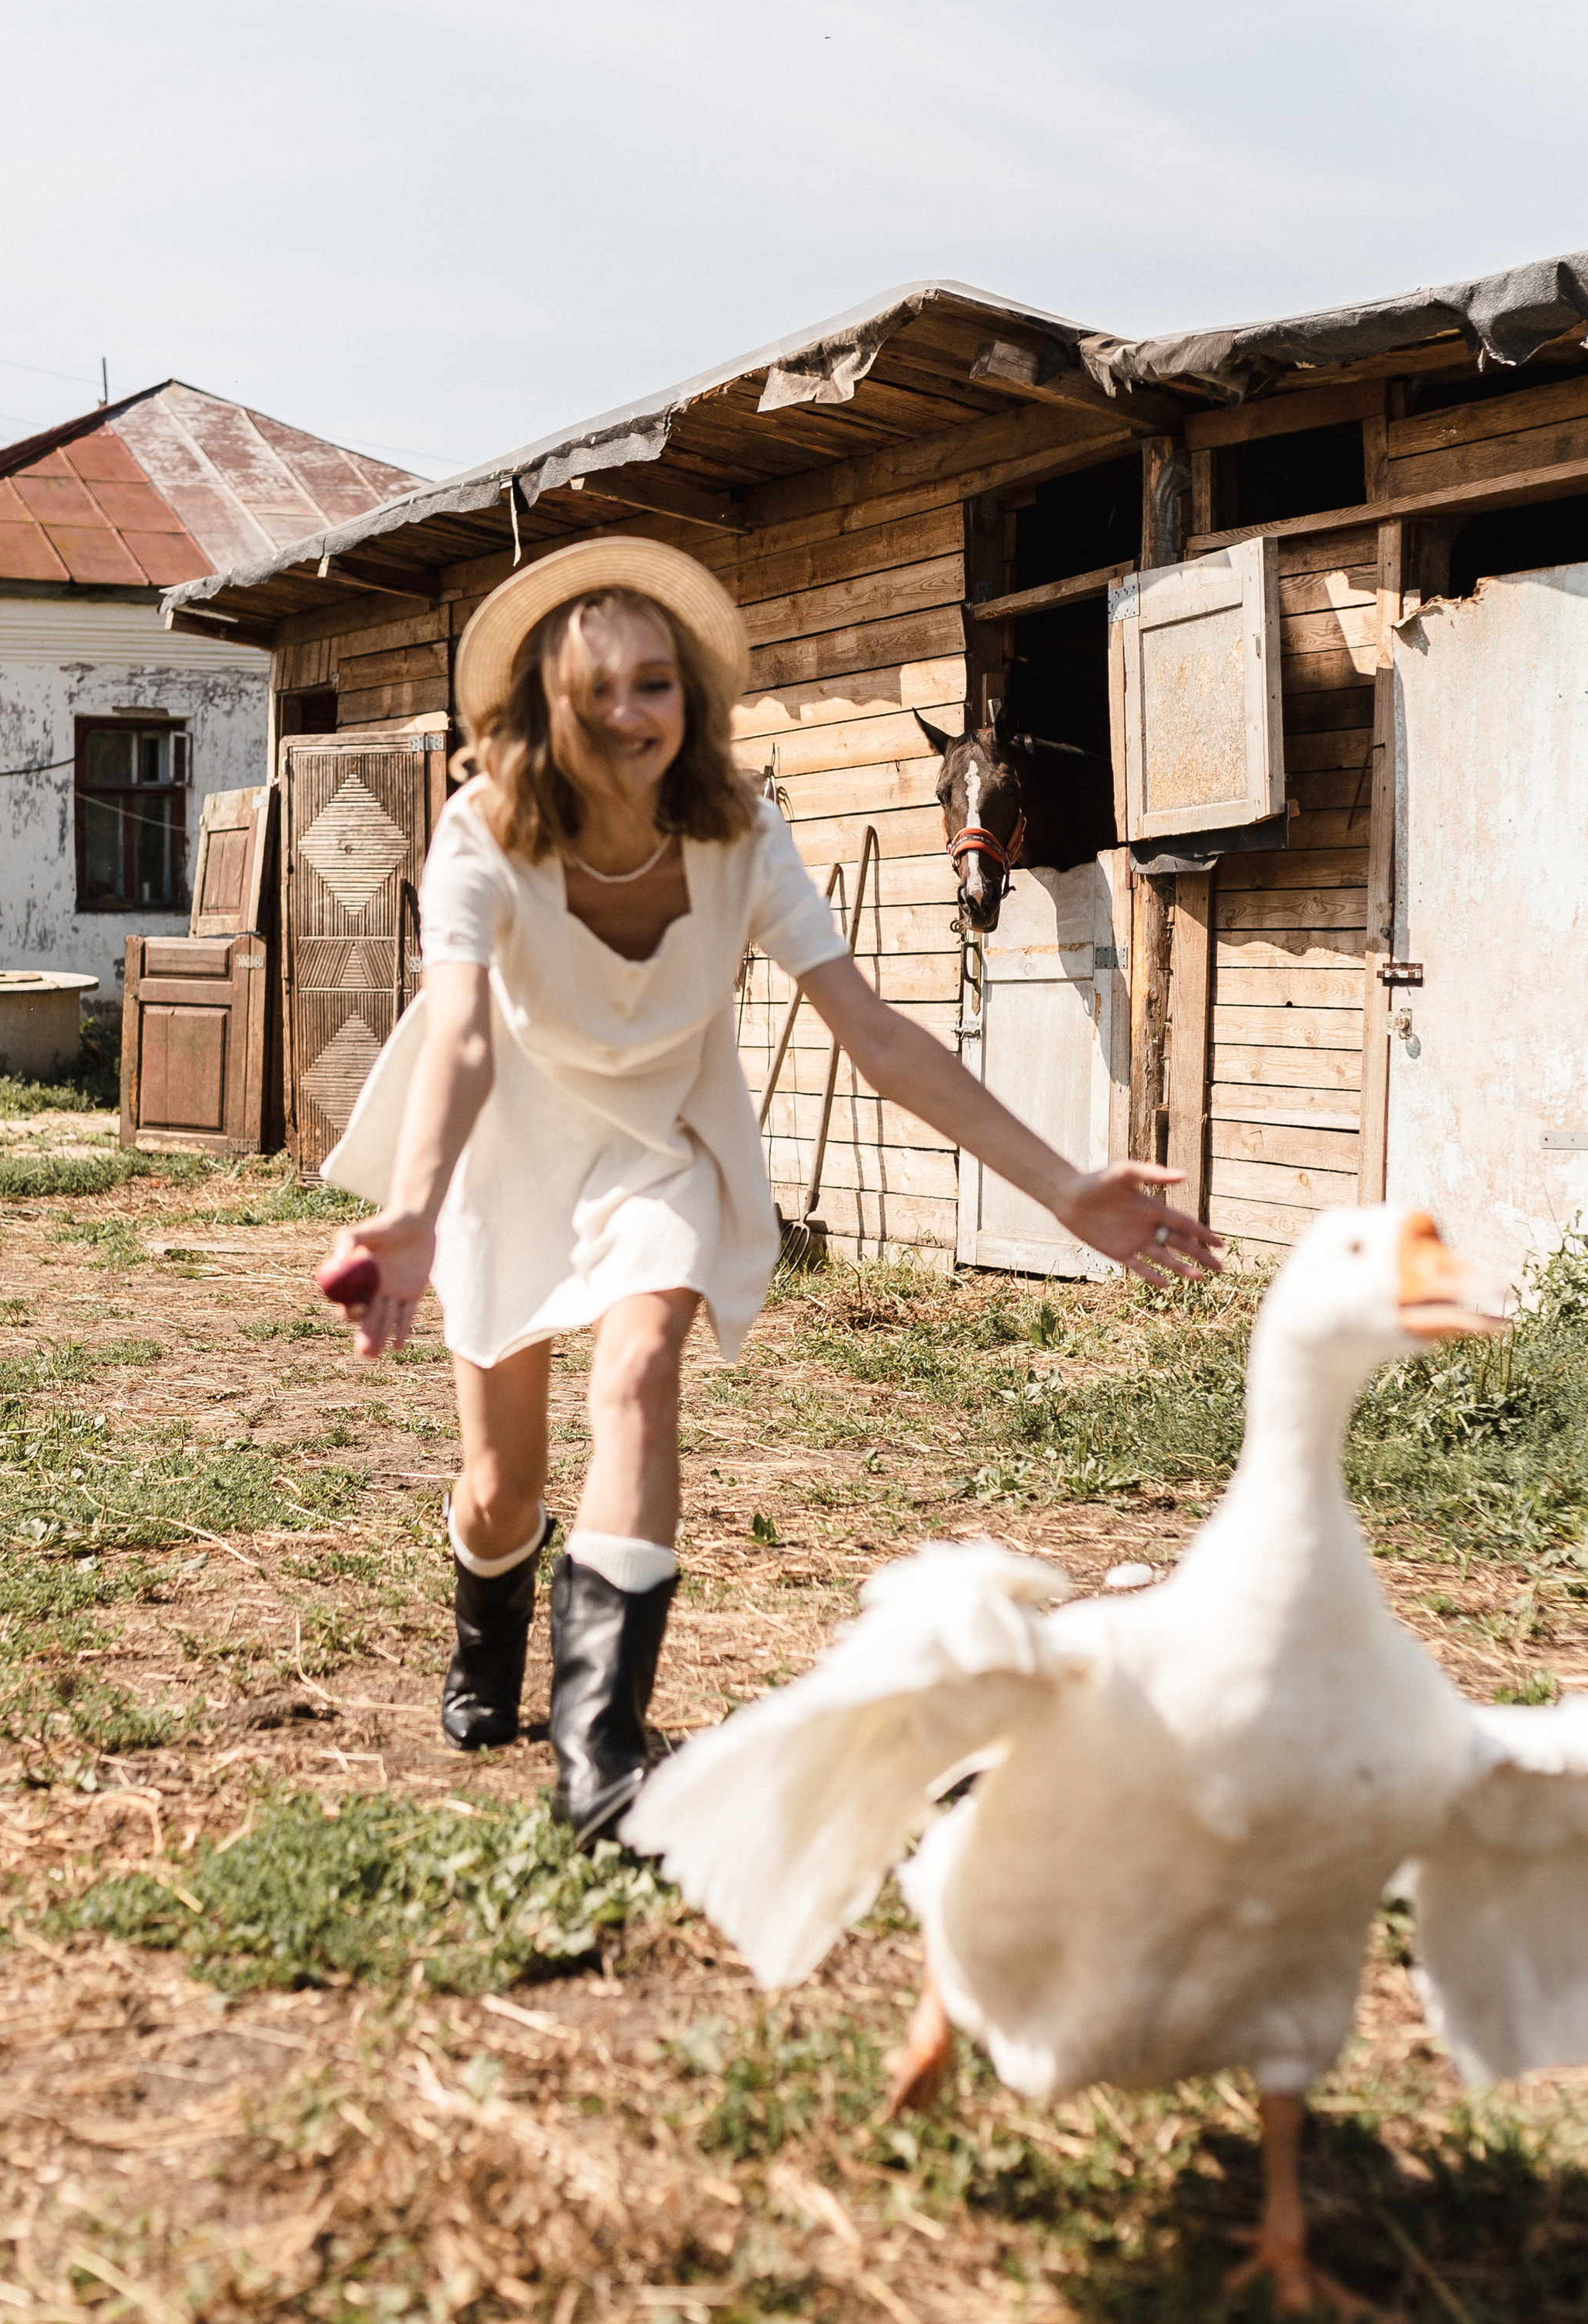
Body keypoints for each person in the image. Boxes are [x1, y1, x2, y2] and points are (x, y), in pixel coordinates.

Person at [321, 535, 1221, 1844]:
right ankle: (485, 1642)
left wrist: (1065, 1183)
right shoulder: (484, 834)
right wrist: (409, 1212)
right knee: (499, 1488)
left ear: (689, 701)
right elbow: (458, 1036)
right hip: (507, 1138)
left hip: (664, 1140)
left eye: (655, 684)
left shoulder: (741, 831)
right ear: (546, 708)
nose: (629, 712)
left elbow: (881, 1036)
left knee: (637, 1377)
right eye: (597, 690)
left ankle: (600, 1761)